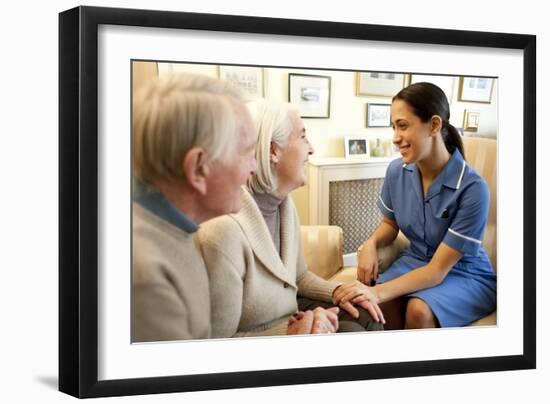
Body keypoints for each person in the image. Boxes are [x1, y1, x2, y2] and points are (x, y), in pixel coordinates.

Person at [198, 100, 385, 338]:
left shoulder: (283, 204)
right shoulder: (223, 230)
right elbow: (217, 342)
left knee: (365, 314)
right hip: (260, 333)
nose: (312, 149)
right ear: (273, 151)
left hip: (289, 312)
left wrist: (339, 291)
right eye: (303, 137)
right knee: (350, 333)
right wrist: (291, 333)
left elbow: (298, 276)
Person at [333, 82, 496, 329]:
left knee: (417, 310)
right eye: (393, 127)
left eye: (403, 126)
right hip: (416, 260)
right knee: (376, 303)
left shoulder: (473, 188)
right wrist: (371, 244)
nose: (395, 138)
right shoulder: (397, 171)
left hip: (463, 273)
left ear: (434, 125)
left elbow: (437, 270)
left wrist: (378, 292)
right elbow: (390, 222)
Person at [131, 73, 259, 342]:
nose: (254, 168)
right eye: (247, 153)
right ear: (198, 169)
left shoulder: (174, 230)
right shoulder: (146, 279)